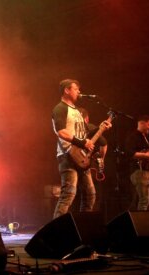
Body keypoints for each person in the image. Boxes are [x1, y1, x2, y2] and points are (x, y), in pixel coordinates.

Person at [51, 79, 111, 219]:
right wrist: (83, 143)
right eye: (76, 89)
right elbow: (61, 132)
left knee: (90, 195)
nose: (79, 92)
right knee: (68, 194)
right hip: (67, 156)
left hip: (82, 158)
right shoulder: (60, 108)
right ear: (67, 90)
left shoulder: (77, 111)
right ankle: (56, 231)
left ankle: (83, 226)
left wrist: (100, 128)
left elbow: (84, 133)